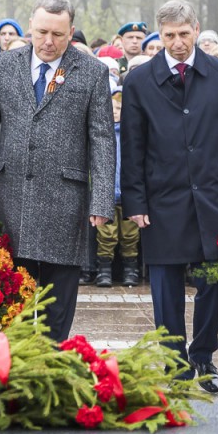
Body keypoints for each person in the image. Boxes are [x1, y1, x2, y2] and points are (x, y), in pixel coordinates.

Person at [121, 0, 218, 394]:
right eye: (168, 36)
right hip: (162, 198)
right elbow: (132, 147)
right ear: (160, 34)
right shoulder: (139, 81)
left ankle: (203, 354)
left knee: (216, 281)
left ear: (196, 29)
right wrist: (134, 202)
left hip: (211, 195)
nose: (177, 43)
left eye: (184, 34)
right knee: (166, 286)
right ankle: (174, 362)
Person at [0, 0, 116, 342]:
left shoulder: (92, 72)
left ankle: (52, 372)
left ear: (70, 33)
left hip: (65, 203)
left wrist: (101, 200)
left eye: (58, 34)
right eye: (41, 32)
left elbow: (102, 139)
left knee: (57, 313)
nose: (48, 42)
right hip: (14, 201)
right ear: (30, 28)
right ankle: (18, 382)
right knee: (16, 310)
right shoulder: (4, 65)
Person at [90, 89, 140, 287]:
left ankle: (130, 269)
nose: (114, 112)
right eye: (110, 108)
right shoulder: (101, 134)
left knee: (130, 234)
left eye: (118, 108)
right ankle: (104, 270)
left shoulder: (131, 135)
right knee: (106, 235)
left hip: (128, 194)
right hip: (107, 194)